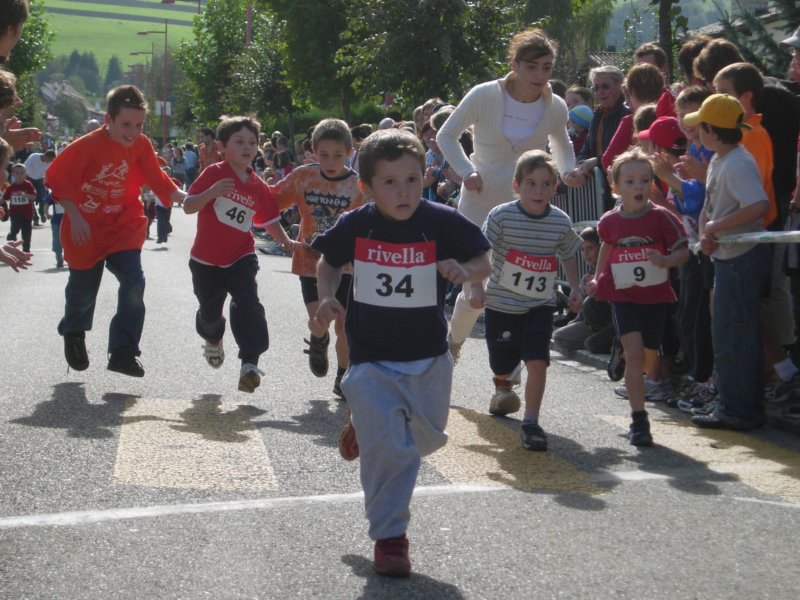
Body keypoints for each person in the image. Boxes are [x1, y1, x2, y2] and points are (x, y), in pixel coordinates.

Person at [309, 128, 491, 577]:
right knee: (393, 451)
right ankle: (390, 537)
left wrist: (464, 269)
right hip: (370, 356)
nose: (403, 191)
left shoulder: (440, 220)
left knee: (425, 438)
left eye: (411, 179)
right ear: (367, 187)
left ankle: (365, 424)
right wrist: (326, 296)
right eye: (390, 182)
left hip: (428, 355)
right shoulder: (358, 224)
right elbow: (327, 261)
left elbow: (484, 259)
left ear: (424, 178)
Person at [436, 28, 579, 361]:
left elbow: (562, 146)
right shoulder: (484, 94)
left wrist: (568, 171)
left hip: (523, 210)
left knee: (516, 293)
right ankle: (453, 343)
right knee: (476, 296)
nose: (540, 75)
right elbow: (446, 135)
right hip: (479, 202)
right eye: (532, 67)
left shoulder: (555, 106)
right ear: (515, 65)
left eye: (547, 68)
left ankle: (509, 371)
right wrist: (466, 170)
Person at [45, 85, 186, 377]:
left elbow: (158, 179)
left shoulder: (141, 145)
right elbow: (59, 179)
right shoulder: (86, 146)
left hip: (123, 224)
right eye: (126, 125)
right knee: (83, 292)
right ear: (108, 120)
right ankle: (74, 331)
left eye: (139, 125)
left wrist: (188, 198)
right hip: (86, 228)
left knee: (134, 282)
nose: (133, 132)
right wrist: (76, 216)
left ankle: (123, 351)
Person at [472, 150, 582, 449]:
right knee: (502, 361)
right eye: (531, 183)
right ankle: (503, 385)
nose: (538, 191)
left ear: (555, 187)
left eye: (546, 184)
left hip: (539, 305)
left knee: (538, 361)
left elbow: (568, 253)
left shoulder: (560, 221)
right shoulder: (501, 215)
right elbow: (481, 251)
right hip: (502, 304)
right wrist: (476, 287)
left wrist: (575, 287)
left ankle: (531, 422)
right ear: (516, 185)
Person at [184, 116, 295, 393]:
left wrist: (286, 242)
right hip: (205, 260)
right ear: (222, 147)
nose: (247, 147)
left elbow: (268, 220)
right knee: (210, 314)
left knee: (248, 303)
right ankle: (213, 338)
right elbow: (188, 206)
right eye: (239, 141)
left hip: (241, 256)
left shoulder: (257, 185)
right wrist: (212, 192)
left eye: (252, 142)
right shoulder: (214, 173)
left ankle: (250, 363)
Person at [585, 149, 688, 445]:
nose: (638, 187)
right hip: (622, 294)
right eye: (630, 181)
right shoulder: (610, 221)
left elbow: (683, 250)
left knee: (647, 360)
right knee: (635, 356)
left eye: (644, 180)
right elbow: (606, 246)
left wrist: (666, 261)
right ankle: (639, 420)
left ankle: (622, 350)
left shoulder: (662, 218)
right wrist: (597, 277)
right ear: (616, 187)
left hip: (655, 296)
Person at [685, 94, 771, 430]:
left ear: (711, 131)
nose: (697, 132)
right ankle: (739, 406)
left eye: (701, 126)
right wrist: (706, 231)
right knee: (730, 334)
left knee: (734, 336)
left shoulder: (736, 163)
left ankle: (738, 410)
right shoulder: (722, 159)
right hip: (728, 256)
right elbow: (712, 205)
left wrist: (716, 227)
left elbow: (758, 205)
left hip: (741, 259)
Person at [269, 118, 367, 398]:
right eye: (323, 154)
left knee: (344, 324)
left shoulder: (358, 186)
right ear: (312, 151)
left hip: (346, 266)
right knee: (319, 319)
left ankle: (343, 377)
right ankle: (318, 338)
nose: (330, 161)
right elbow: (270, 202)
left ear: (349, 153)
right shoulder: (303, 177)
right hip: (309, 261)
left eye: (337, 155)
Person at [552, 226, 614, 355]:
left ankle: (609, 340)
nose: (586, 254)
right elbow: (581, 311)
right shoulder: (588, 275)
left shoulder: (608, 269)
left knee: (589, 343)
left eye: (590, 248)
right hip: (590, 322)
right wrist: (575, 318)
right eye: (582, 249)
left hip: (608, 321)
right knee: (558, 336)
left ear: (601, 248)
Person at [3, 162, 35, 251]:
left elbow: (33, 197)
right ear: (13, 174)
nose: (20, 175)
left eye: (22, 173)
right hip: (15, 213)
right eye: (17, 173)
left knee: (26, 234)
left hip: (27, 214)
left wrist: (25, 195)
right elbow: (5, 198)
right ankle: (11, 238)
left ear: (26, 173)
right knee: (14, 229)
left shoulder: (28, 185)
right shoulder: (10, 187)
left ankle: (26, 251)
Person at [23, 148, 54, 224]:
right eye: (49, 159)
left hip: (40, 179)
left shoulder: (50, 162)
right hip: (29, 178)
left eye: (51, 160)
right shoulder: (34, 156)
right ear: (45, 156)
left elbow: (50, 173)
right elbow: (24, 167)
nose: (49, 162)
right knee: (30, 199)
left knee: (43, 197)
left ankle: (42, 213)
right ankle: (35, 218)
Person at [44, 190, 64, 268]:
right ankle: (59, 259)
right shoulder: (54, 193)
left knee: (70, 241)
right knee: (57, 241)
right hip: (56, 222)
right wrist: (47, 213)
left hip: (70, 222)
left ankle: (71, 258)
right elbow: (46, 204)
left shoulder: (72, 192)